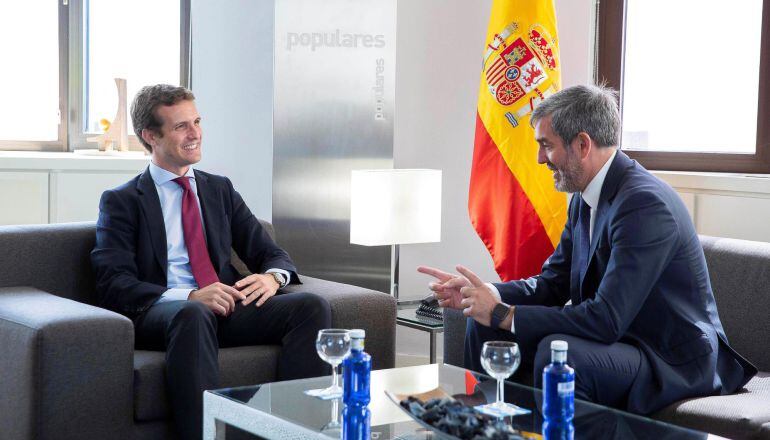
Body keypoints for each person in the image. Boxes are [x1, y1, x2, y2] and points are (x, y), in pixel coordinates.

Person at [419, 84, 756, 414]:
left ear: (582, 144)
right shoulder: (585, 196)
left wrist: (505, 313)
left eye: (546, 146)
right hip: (622, 342)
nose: (539, 158)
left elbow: (606, 318)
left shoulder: (643, 204)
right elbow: (553, 283)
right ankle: (487, 425)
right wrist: (486, 294)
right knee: (484, 323)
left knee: (557, 354)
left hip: (669, 357)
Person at [91, 84, 331, 439]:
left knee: (310, 306)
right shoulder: (122, 201)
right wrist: (188, 297)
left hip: (227, 306)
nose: (195, 133)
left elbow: (270, 253)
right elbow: (114, 282)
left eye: (197, 121)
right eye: (181, 126)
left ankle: (298, 432)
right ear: (150, 136)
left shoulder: (219, 189)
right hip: (167, 312)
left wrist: (271, 279)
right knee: (194, 313)